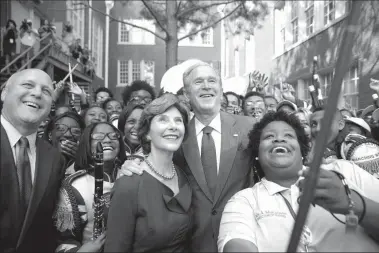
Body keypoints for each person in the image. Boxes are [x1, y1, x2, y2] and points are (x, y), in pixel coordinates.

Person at [120, 61, 256, 251]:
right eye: (198, 82)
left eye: (212, 81)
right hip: (192, 244)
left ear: (221, 88)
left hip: (241, 240)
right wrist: (132, 163)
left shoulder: (249, 127)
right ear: (186, 93)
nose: (206, 86)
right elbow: (153, 158)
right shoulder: (176, 135)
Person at [218, 111, 379, 252]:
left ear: (302, 150)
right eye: (269, 137)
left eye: (288, 135)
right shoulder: (244, 201)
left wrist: (353, 203)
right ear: (257, 154)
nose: (279, 139)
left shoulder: (346, 171)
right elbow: (236, 244)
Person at [105, 94, 193, 252]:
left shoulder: (183, 176)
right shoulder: (129, 185)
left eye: (178, 120)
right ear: (146, 133)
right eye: (163, 119)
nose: (173, 126)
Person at [0, 69, 66, 252]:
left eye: (46, 91)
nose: (37, 93)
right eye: (28, 85)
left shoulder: (54, 159)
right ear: (4, 92)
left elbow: (46, 228)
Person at [54, 122, 126, 252]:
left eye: (113, 136)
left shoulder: (130, 175)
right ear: (87, 143)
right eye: (99, 136)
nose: (108, 140)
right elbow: (63, 239)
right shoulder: (73, 186)